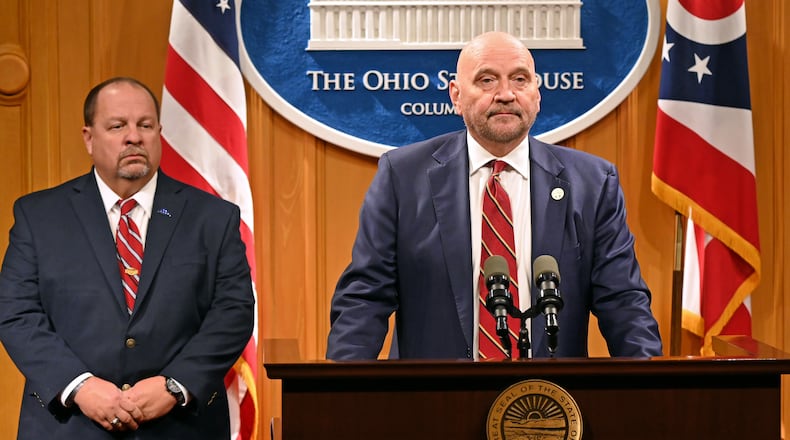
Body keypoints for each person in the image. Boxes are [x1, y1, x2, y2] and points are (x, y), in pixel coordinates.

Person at [326, 31, 662, 360]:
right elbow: (365, 297)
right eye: (487, 80)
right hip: (433, 403)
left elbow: (624, 302)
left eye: (520, 79)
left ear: (537, 93)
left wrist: (653, 394)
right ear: (456, 95)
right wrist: (338, 399)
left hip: (549, 405)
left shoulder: (593, 183)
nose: (506, 94)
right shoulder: (402, 177)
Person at [0, 77, 255, 438]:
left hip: (179, 427)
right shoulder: (39, 217)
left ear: (159, 133)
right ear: (89, 138)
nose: (134, 137)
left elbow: (234, 312)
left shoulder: (213, 219)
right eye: (118, 125)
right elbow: (16, 314)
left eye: (145, 125)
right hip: (71, 427)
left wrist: (174, 384)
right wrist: (80, 386)